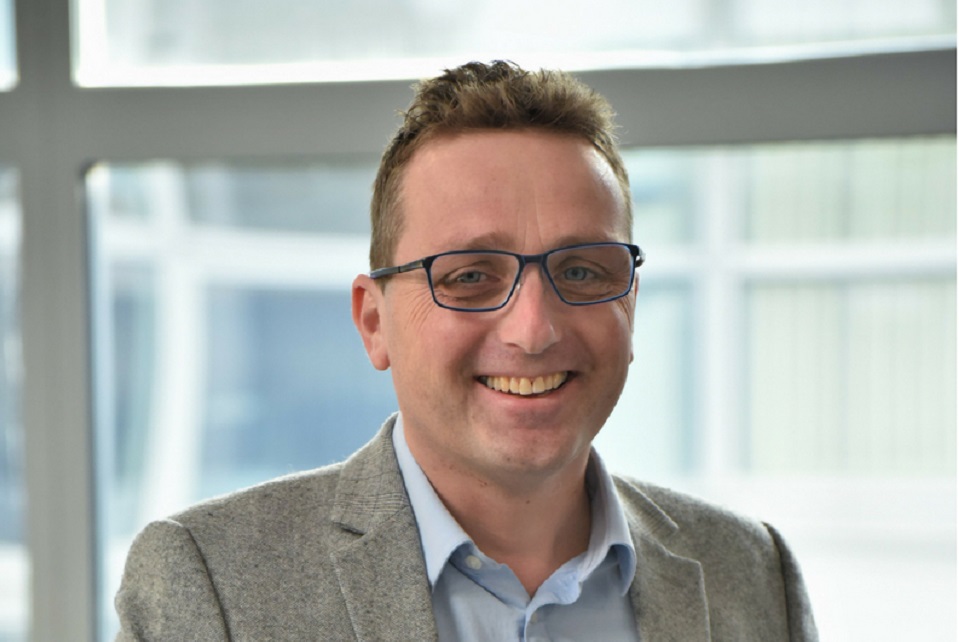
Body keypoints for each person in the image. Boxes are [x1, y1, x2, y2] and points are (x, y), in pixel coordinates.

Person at [115, 60, 818, 641]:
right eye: (470, 277)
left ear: (628, 303)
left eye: (581, 271)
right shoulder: (212, 589)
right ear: (373, 321)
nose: (533, 330)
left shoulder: (751, 574)